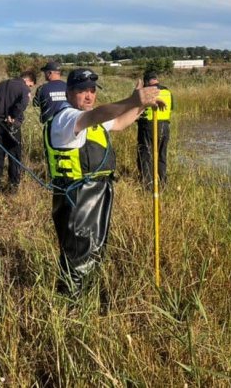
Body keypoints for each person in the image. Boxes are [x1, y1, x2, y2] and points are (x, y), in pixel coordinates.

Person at [44, 68, 162, 297]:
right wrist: (131, 100)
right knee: (79, 256)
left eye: (92, 90)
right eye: (82, 91)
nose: (89, 95)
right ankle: (71, 308)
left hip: (97, 192)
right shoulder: (67, 118)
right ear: (69, 92)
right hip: (77, 196)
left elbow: (118, 123)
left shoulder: (88, 118)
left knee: (93, 251)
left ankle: (85, 299)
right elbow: (95, 115)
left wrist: (141, 105)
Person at [0, 70, 36, 191]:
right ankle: (13, 187)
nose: (29, 88)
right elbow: (23, 103)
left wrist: (1, 107)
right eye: (30, 85)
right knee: (14, 156)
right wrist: (12, 115)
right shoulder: (24, 88)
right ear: (28, 80)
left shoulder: (1, 84)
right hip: (12, 126)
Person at [137, 71, 173, 189]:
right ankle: (163, 183)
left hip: (148, 126)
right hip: (165, 127)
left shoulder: (146, 92)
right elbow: (171, 108)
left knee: (146, 155)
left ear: (146, 81)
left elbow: (137, 111)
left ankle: (148, 186)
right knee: (161, 156)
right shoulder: (168, 92)